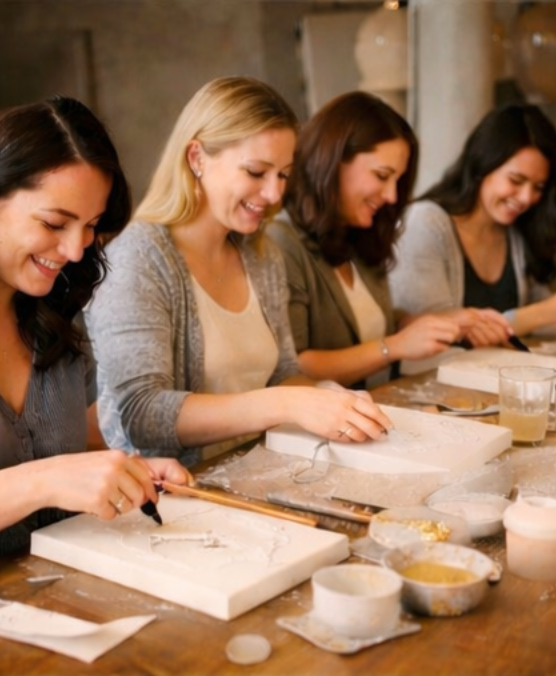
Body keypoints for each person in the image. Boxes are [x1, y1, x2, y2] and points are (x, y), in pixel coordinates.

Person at [85, 77, 392, 467]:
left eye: (283, 174)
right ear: (196, 157)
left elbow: (282, 373)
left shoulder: (261, 254)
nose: (274, 195)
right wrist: (287, 403)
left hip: (254, 477)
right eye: (255, 172)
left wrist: (329, 397)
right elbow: (142, 416)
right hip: (171, 501)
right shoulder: (137, 260)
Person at [0, 96, 192, 570]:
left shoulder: (56, 318)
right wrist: (41, 481)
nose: (73, 250)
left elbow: (68, 442)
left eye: (88, 226)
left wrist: (128, 470)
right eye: (53, 222)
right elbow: (47, 469)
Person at [266, 91, 512, 389]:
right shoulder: (282, 240)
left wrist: (434, 323)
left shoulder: (359, 234)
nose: (392, 196)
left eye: (397, 180)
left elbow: (367, 320)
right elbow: (295, 367)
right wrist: (394, 346)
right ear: (332, 160)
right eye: (382, 176)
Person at [389, 103, 556, 337]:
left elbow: (544, 317)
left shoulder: (514, 231)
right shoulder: (425, 223)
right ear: (482, 166)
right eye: (516, 180)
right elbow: (436, 331)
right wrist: (545, 312)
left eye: (538, 187)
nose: (527, 198)